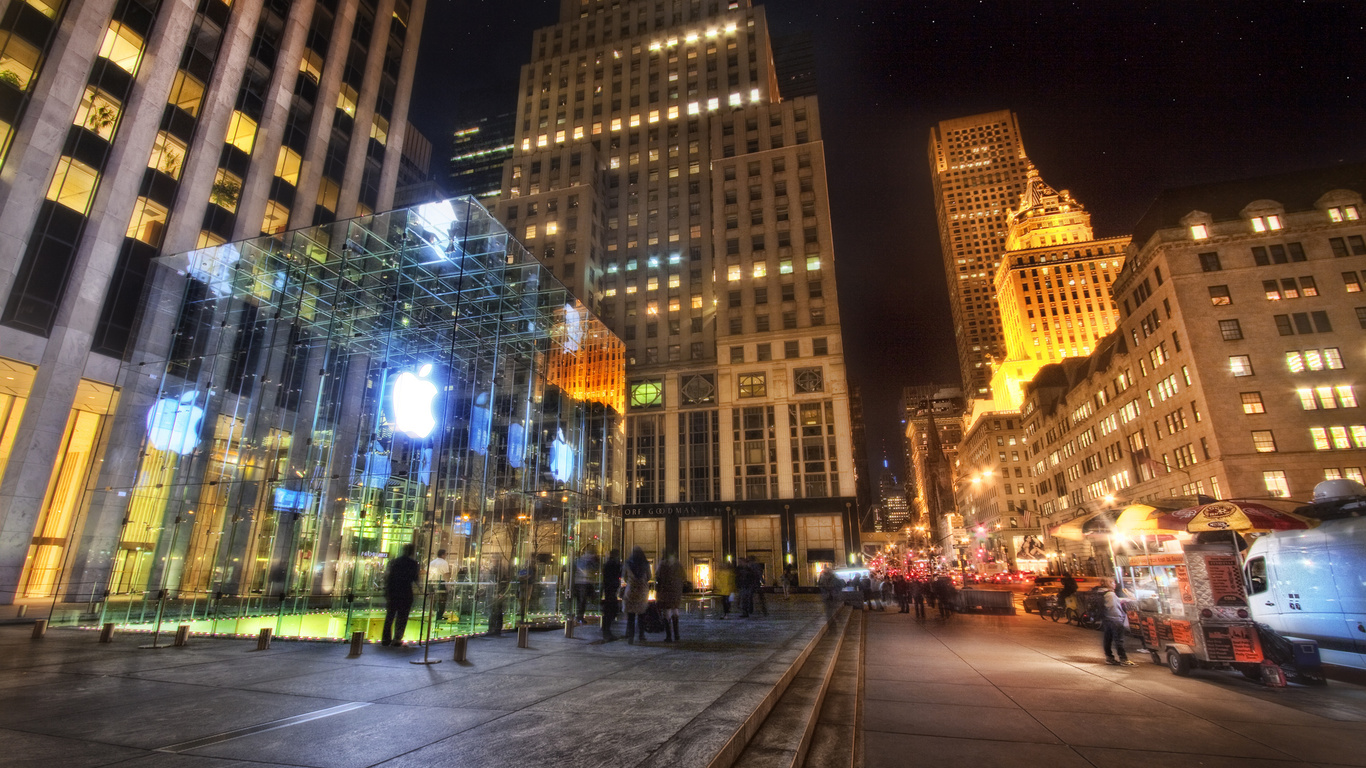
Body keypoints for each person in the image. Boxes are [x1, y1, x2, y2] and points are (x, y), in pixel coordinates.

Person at [382, 544, 420, 646]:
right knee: (402, 616)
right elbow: (415, 578)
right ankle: (397, 638)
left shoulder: (394, 562)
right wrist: (421, 589)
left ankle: (386, 639)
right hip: (405, 591)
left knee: (390, 615)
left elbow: (387, 576)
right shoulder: (413, 563)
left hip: (393, 591)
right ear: (412, 552)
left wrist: (386, 590)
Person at [1101, 580, 1136, 666]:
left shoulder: (1103, 593)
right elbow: (1113, 607)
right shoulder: (1111, 594)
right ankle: (1123, 659)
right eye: (1112, 582)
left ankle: (1109, 658)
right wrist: (1120, 617)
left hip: (1107, 619)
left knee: (1107, 639)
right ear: (1108, 584)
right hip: (1115, 619)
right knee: (1118, 639)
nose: (1115, 584)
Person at [622, 546, 652, 644]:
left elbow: (624, 577)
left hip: (631, 590)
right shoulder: (646, 564)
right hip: (642, 591)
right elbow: (649, 577)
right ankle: (641, 635)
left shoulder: (627, 564)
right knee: (641, 615)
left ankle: (630, 637)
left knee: (631, 615)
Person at [655, 551, 685, 642]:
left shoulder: (662, 565)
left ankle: (669, 636)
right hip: (676, 592)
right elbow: (683, 576)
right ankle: (677, 635)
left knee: (666, 613)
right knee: (675, 611)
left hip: (665, 592)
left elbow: (657, 577)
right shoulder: (678, 565)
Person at [573, 546, 600, 624]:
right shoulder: (585, 560)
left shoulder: (581, 559)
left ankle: (579, 616)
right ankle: (579, 616)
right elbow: (590, 569)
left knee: (582, 601)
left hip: (582, 582)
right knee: (582, 601)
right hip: (583, 582)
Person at [600, 548, 622, 642]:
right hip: (611, 589)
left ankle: (606, 630)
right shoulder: (613, 564)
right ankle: (606, 630)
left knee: (610, 610)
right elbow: (617, 574)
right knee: (611, 610)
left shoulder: (608, 564)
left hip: (609, 589)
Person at [427, 548, 450, 623]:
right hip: (440, 582)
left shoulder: (432, 562)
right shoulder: (444, 562)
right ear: (443, 554)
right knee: (442, 600)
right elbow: (446, 574)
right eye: (446, 554)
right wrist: (447, 584)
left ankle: (432, 613)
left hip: (431, 581)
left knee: (433, 599)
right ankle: (439, 615)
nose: (446, 555)